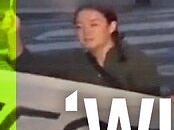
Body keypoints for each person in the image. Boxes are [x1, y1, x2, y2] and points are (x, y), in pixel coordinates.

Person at [5, 6, 160, 94]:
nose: (86, 32)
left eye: (94, 25)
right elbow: (27, 65)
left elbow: (153, 108)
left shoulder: (138, 63)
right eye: (79, 27)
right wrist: (13, 34)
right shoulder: (73, 61)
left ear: (111, 27)